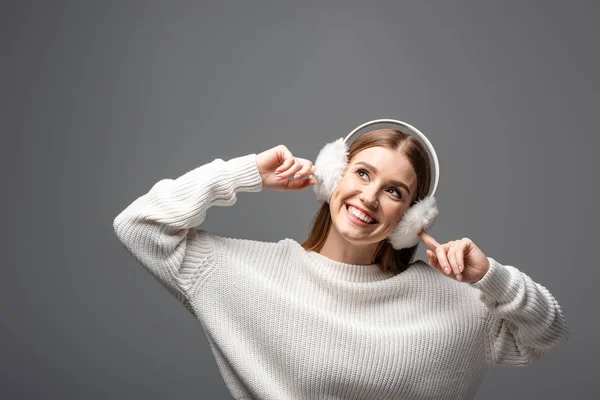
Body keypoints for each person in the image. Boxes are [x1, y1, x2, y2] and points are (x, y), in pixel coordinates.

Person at [113, 127, 568, 399]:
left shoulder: (457, 303)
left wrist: (492, 277)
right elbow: (140, 225)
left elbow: (544, 337)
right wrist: (245, 173)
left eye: (395, 191)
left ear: (412, 217)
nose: (370, 196)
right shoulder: (246, 275)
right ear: (335, 176)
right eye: (363, 173)